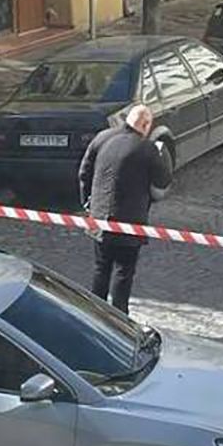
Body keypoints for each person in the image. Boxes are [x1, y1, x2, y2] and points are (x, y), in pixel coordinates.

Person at [78, 104, 172, 314]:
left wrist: (89, 205)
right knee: (123, 272)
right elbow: (163, 180)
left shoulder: (102, 137)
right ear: (145, 125)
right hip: (129, 222)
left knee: (101, 268)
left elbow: (84, 173)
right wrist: (161, 156)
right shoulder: (147, 148)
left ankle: (95, 314)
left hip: (99, 218)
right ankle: (119, 317)